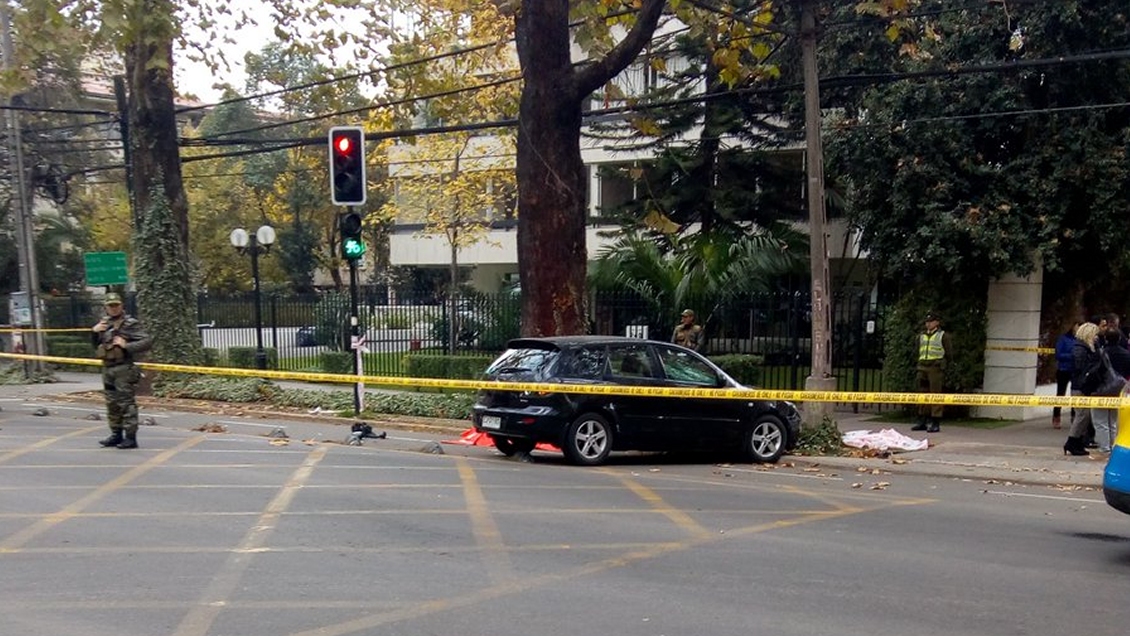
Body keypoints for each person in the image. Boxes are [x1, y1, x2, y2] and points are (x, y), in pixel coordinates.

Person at [91, 293, 152, 449]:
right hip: (107, 367)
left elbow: (147, 341)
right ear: (105, 307)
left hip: (123, 368)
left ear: (121, 305)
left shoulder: (130, 324)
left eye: (116, 305)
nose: (114, 308)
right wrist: (94, 332)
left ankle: (130, 437)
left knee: (126, 403)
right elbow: (96, 345)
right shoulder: (104, 323)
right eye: (110, 306)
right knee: (111, 403)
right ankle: (116, 434)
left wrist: (127, 346)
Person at [1090, 329, 1130, 453]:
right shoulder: (1126, 354)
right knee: (1112, 421)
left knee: (1100, 420)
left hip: (1101, 389)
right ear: (1119, 339)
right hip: (1118, 389)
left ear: (1106, 339)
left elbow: (1095, 371)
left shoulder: (1100, 353)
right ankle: (1113, 445)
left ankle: (1104, 447)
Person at [1063, 322, 1100, 456]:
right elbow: (1080, 368)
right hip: (1080, 387)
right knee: (1082, 415)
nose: (1096, 337)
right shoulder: (1080, 349)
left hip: (1083, 386)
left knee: (1085, 416)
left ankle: (1077, 441)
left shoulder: (1087, 348)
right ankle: (1072, 441)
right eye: (1094, 334)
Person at [912, 311, 951, 433]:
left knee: (935, 394)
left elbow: (949, 353)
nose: (928, 324)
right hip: (922, 366)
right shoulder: (921, 336)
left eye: (931, 321)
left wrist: (944, 365)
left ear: (937, 322)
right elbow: (917, 351)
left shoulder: (943, 335)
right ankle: (922, 420)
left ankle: (935, 421)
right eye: (927, 322)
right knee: (922, 394)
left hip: (935, 367)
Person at [1052, 322, 1081, 429]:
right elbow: (1058, 354)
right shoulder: (1063, 339)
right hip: (1063, 369)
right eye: (1077, 326)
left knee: (1075, 394)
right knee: (1060, 394)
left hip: (1075, 370)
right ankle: (1056, 416)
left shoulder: (1080, 340)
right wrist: (1071, 356)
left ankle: (1074, 416)